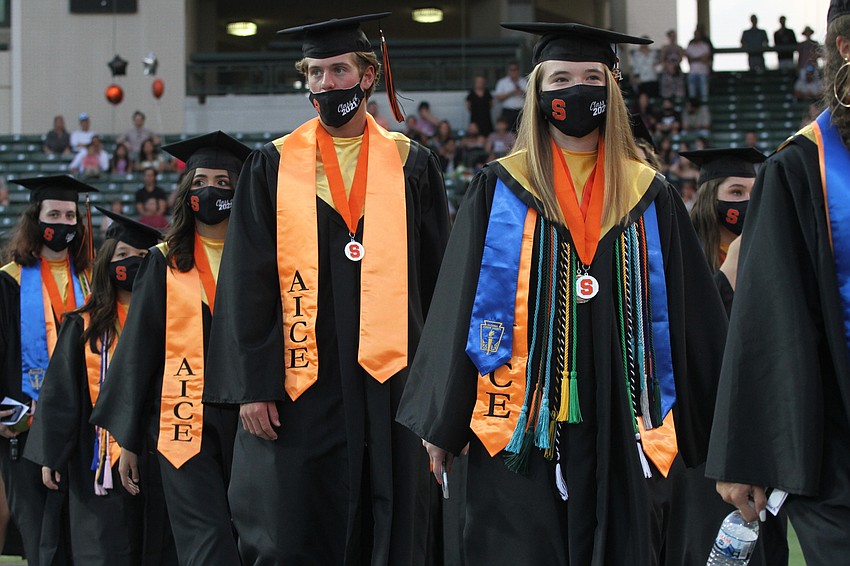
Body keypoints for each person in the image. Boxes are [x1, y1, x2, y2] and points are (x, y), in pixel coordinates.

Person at [397, 21, 727, 564]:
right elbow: (462, 306)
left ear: (612, 89)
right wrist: (443, 420)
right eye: (561, 78)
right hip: (521, 418)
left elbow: (693, 320)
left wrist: (721, 430)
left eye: (592, 78)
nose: (576, 91)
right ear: (537, 92)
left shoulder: (649, 194)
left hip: (624, 417)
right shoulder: (500, 187)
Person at [202, 13, 451, 565]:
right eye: (315, 72)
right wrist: (252, 384)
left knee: (393, 515)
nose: (327, 83)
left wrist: (440, 389)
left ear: (368, 76)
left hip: (394, 382)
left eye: (339, 69)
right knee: (298, 518)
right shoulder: (272, 166)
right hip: (301, 382)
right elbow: (246, 282)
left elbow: (439, 284)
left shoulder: (412, 165)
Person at [707, 4, 850, 563]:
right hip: (841, 451)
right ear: (845, 47)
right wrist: (747, 452)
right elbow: (770, 321)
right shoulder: (801, 168)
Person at [89, 131, 251, 566]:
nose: (210, 190)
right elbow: (138, 353)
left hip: (252, 417)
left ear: (239, 191)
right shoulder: (163, 261)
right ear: (185, 192)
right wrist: (127, 441)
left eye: (222, 182)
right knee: (207, 543)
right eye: (199, 182)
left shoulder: (261, 254)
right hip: (184, 419)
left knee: (254, 538)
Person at [24, 209, 162, 565]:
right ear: (105, 263)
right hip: (97, 460)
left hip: (158, 453)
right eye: (122, 255)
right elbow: (61, 394)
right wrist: (51, 453)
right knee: (104, 546)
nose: (132, 263)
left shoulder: (171, 320)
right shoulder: (83, 325)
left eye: (142, 256)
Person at [0, 175, 96, 565]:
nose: (63, 223)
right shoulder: (8, 280)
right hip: (26, 425)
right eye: (53, 214)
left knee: (81, 536)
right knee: (41, 535)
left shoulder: (91, 280)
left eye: (70, 216)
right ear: (35, 219)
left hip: (83, 428)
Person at [494, 60, 527, 131]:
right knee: (507, 131)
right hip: (507, 111)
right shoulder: (502, 82)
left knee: (521, 131)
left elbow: (530, 97)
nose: (513, 72)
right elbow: (498, 97)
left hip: (520, 111)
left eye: (515, 69)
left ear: (518, 71)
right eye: (511, 70)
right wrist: (512, 92)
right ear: (508, 71)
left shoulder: (523, 82)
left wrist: (522, 92)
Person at [686, 26, 713, 102]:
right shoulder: (690, 46)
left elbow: (705, 58)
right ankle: (693, 103)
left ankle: (704, 103)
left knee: (704, 90)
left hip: (703, 71)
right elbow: (689, 59)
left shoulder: (705, 46)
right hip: (693, 71)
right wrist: (700, 58)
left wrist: (695, 58)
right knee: (692, 91)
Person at [659, 29, 685, 99]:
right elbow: (662, 59)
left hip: (676, 71)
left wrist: (674, 66)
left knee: (678, 90)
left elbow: (680, 58)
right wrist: (668, 66)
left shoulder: (679, 48)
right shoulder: (665, 48)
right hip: (667, 71)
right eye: (671, 36)